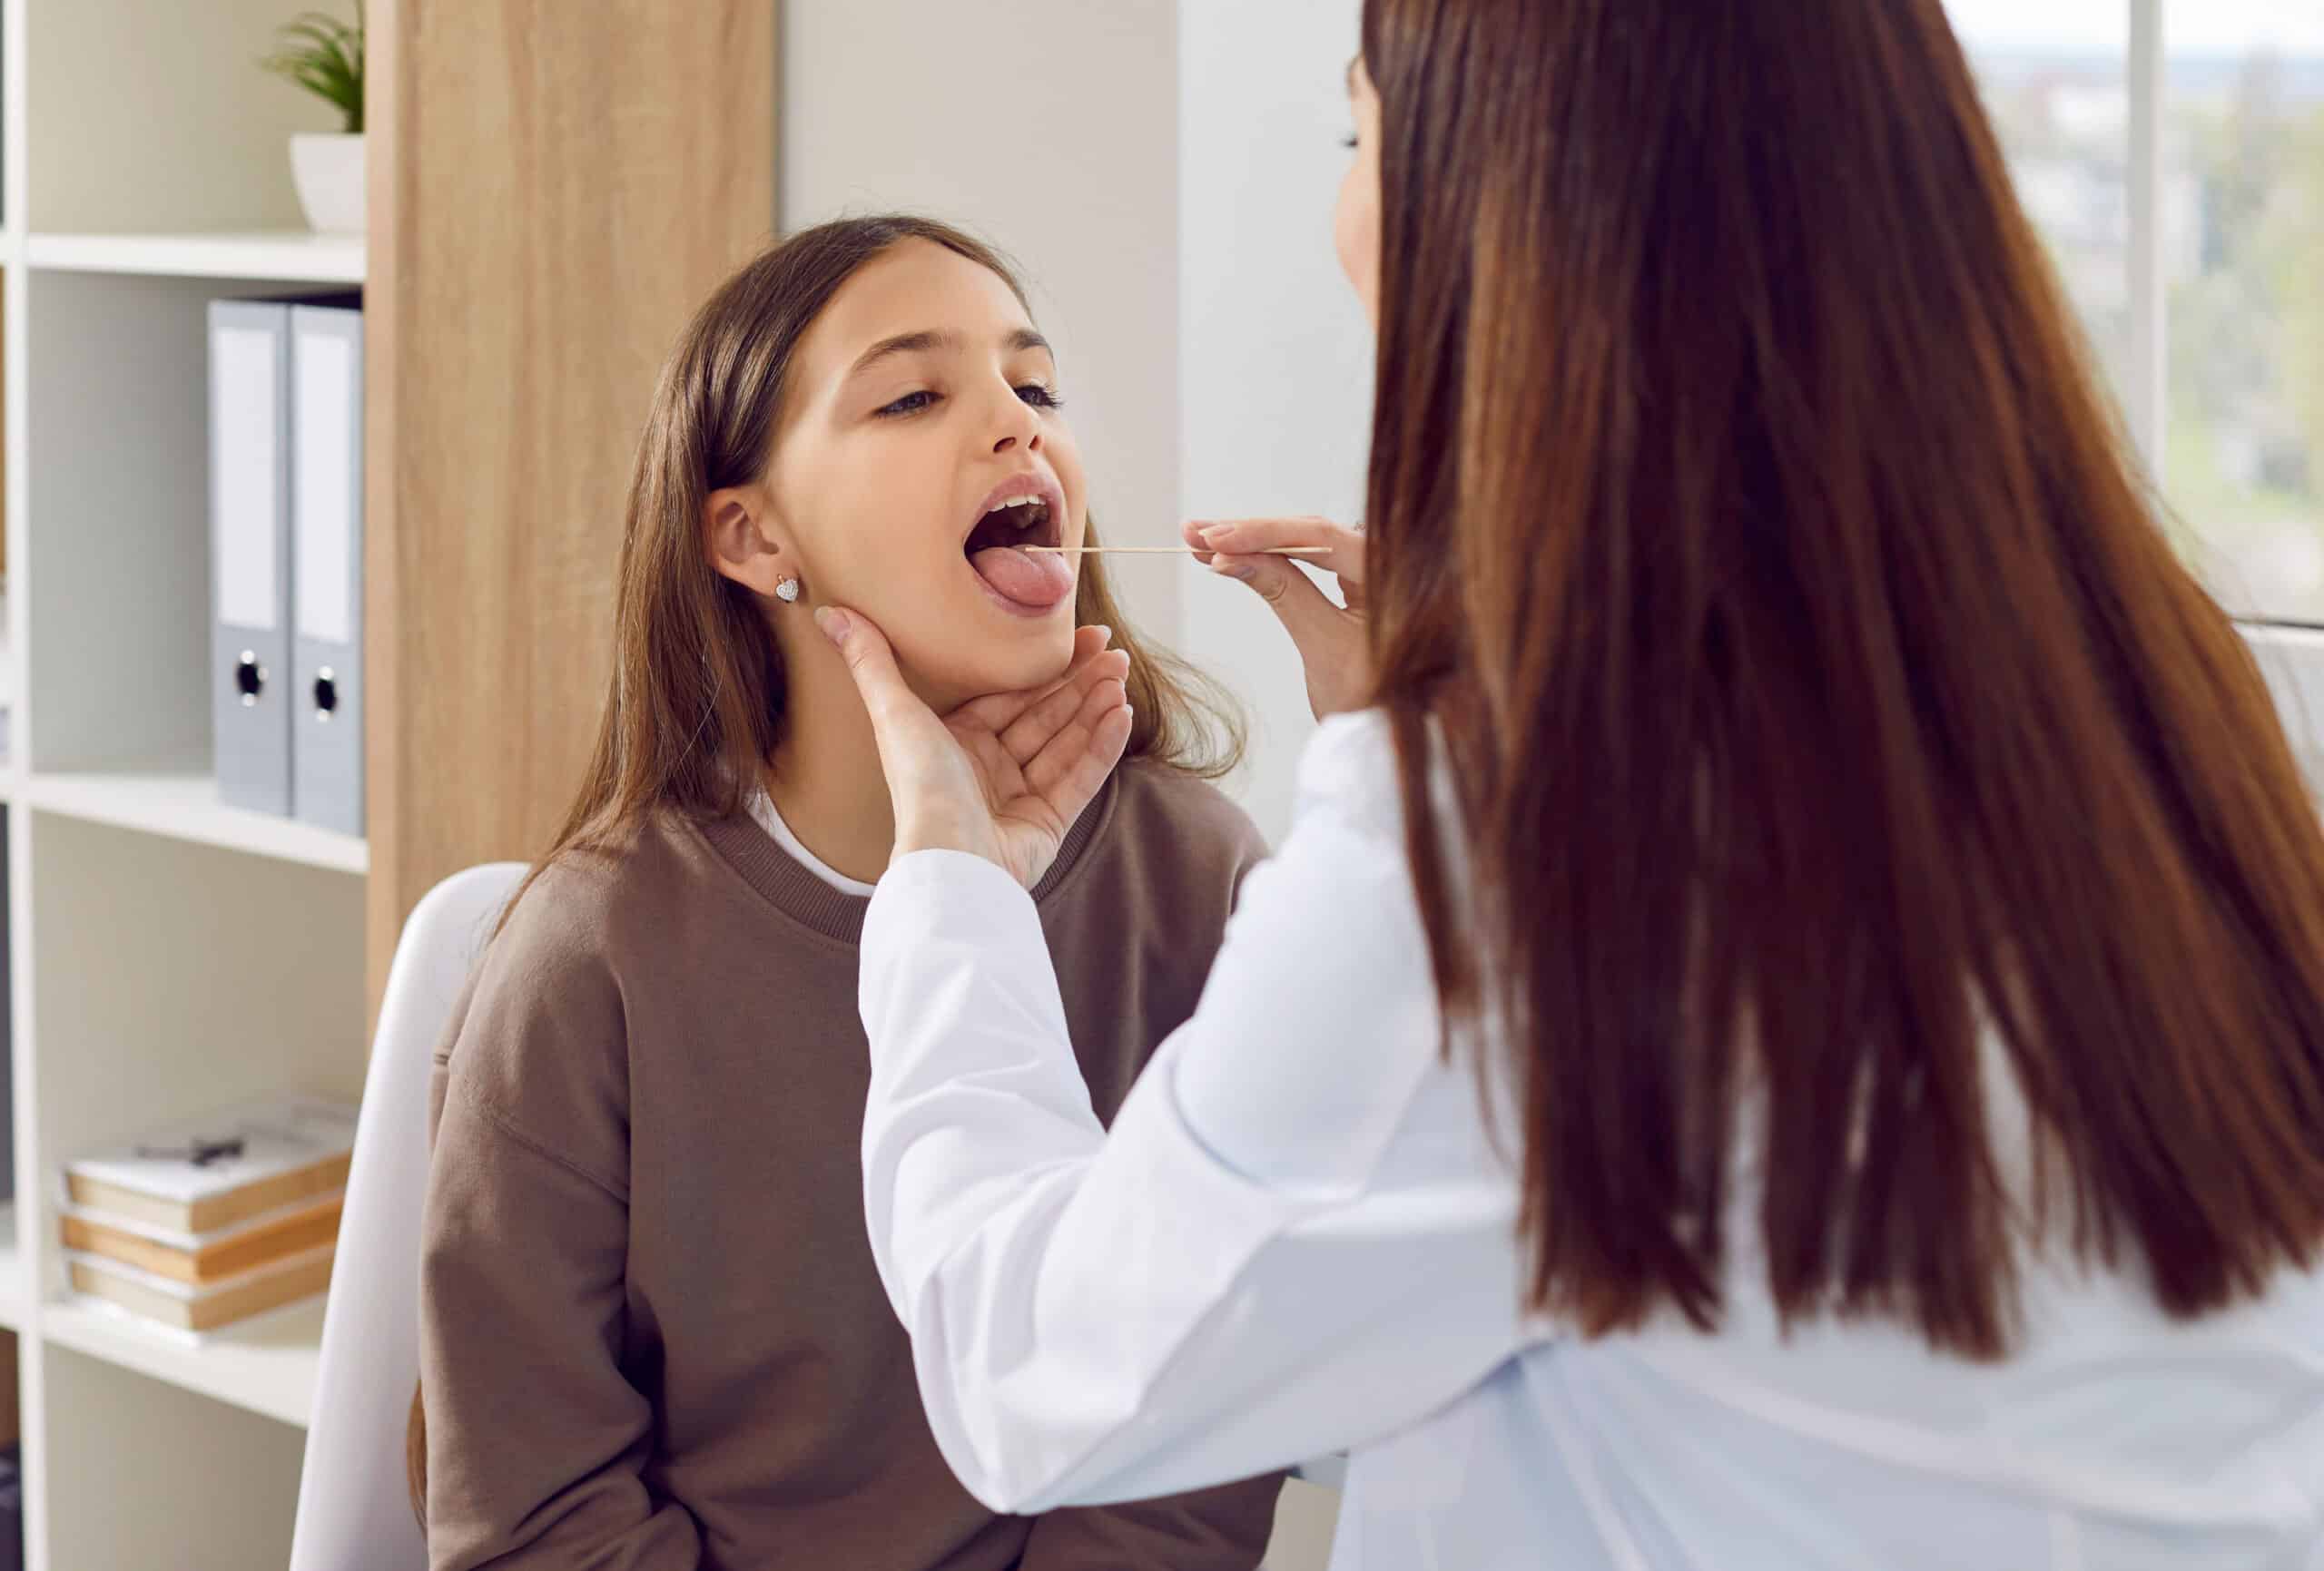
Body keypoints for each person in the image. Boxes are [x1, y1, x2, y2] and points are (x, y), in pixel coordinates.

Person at [817, 3, 2324, 1567]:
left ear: (1505, 209)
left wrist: (950, 891)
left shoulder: (1499, 837)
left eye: (1356, 138)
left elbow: (1039, 1383)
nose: (1343, 221)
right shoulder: (2198, 705)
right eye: (912, 394)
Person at [414, 214, 1285, 1570]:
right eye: (917, 394)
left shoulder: (1199, 883)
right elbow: (533, 1516)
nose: (1018, 425)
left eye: (1035, 385)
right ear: (755, 535)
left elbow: (1192, 1448)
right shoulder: (589, 961)